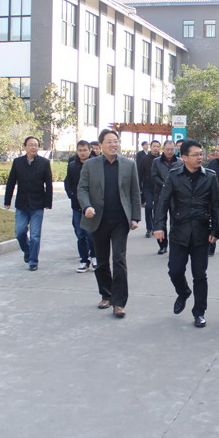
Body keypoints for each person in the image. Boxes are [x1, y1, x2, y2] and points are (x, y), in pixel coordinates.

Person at [154, 139, 219, 327]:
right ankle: (183, 292)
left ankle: (199, 312)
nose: (200, 157)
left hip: (201, 233)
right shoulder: (174, 176)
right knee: (175, 270)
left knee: (200, 274)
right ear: (184, 157)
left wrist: (215, 230)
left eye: (201, 154)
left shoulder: (210, 177)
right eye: (195, 154)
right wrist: (159, 226)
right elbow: (163, 202)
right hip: (179, 232)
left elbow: (217, 206)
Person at [77, 129, 141, 318]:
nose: (114, 144)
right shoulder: (90, 165)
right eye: (109, 141)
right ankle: (106, 295)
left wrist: (135, 217)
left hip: (121, 220)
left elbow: (135, 192)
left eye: (116, 141)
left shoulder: (129, 165)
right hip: (99, 220)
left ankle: (119, 303)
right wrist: (87, 206)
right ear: (100, 145)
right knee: (102, 261)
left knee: (119, 259)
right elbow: (82, 189)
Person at [3, 137, 53, 271]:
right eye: (30, 145)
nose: (33, 147)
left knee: (35, 236)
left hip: (38, 203)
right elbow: (11, 182)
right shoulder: (17, 162)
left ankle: (33, 261)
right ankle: (28, 250)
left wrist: (48, 202)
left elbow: (48, 184)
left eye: (36, 145)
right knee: (19, 232)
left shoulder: (44, 163)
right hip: (22, 203)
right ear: (25, 147)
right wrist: (7, 201)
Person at [64, 140, 96, 273]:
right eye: (80, 150)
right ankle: (84, 260)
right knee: (80, 234)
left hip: (91, 205)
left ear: (90, 150)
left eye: (85, 150)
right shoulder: (72, 166)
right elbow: (68, 182)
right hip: (77, 205)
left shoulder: (95, 164)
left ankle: (94, 256)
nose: (82, 153)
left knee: (90, 234)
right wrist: (72, 195)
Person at [151, 140, 183, 255]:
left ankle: (175, 245)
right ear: (163, 149)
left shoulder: (180, 162)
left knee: (175, 221)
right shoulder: (156, 161)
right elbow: (154, 176)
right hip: (160, 194)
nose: (170, 152)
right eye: (167, 149)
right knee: (160, 220)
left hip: (175, 196)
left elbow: (182, 176)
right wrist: (165, 185)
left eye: (172, 149)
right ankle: (162, 245)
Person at [139, 140, 161, 238]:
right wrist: (140, 187)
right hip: (148, 187)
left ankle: (156, 227)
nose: (156, 148)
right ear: (150, 147)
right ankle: (149, 228)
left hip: (159, 188)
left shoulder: (162, 159)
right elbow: (140, 173)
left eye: (157, 146)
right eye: (154, 146)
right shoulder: (145, 159)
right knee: (148, 206)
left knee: (157, 209)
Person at [136, 141, 149, 207]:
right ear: (142, 146)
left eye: (148, 144)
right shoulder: (139, 154)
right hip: (142, 171)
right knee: (141, 186)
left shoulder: (149, 153)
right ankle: (142, 201)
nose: (147, 146)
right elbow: (138, 163)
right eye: (146, 144)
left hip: (148, 172)